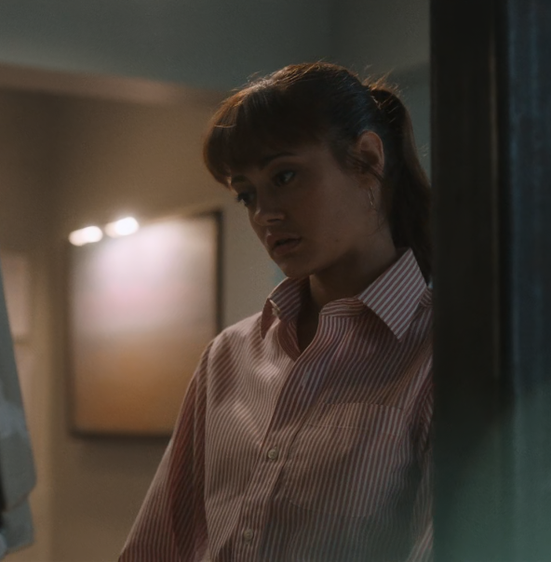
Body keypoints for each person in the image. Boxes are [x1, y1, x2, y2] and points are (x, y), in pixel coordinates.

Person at [120, 62, 433, 562]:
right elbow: (161, 544)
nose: (265, 214)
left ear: (367, 159)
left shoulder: (441, 352)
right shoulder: (229, 355)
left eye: (284, 176)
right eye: (247, 195)